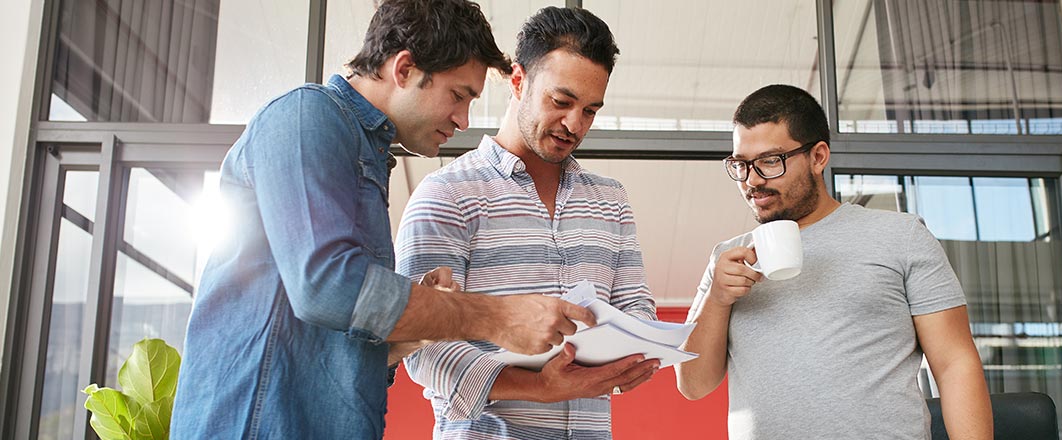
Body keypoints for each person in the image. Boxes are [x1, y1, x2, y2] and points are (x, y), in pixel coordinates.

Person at [170, 1, 598, 439]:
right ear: (405, 69)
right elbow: (325, 284)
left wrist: (412, 334)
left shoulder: (369, 158)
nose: (463, 119)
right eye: (458, 95)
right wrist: (494, 316)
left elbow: (330, 336)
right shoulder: (307, 116)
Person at [394, 7, 660, 439]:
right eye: (561, 101)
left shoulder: (611, 202)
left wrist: (637, 351)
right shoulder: (446, 195)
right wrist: (539, 387)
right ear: (517, 80)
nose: (574, 124)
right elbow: (422, 348)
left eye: (591, 110)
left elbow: (637, 311)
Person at [674, 84, 993, 439]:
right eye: (741, 164)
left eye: (769, 161)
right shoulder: (726, 261)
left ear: (818, 157)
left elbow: (954, 365)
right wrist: (716, 299)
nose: (752, 180)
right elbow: (693, 385)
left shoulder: (901, 236)